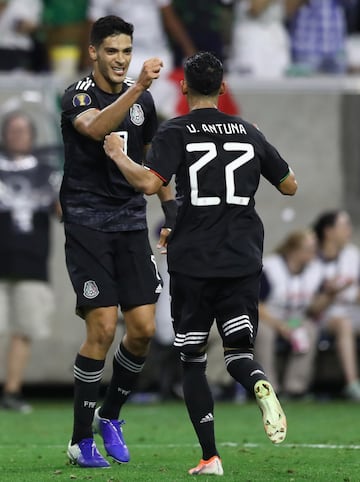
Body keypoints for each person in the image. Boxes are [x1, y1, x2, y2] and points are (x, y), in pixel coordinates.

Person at [103, 51, 298, 476]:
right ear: (224, 88)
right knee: (238, 352)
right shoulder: (248, 131)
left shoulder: (177, 130)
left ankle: (211, 456)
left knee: (192, 358)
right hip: (243, 257)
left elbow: (148, 183)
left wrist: (118, 153)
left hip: (194, 259)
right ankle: (259, 383)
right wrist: (258, 143)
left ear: (185, 87)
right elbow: (289, 186)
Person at [60, 15, 176, 468]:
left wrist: (172, 214)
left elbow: (154, 166)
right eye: (112, 51)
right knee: (103, 327)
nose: (120, 59)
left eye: (126, 51)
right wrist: (138, 88)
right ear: (93, 52)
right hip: (87, 225)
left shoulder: (142, 104)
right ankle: (78, 439)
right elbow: (93, 129)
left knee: (144, 330)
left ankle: (110, 416)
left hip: (130, 224)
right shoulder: (78, 95)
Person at [0, 110, 60, 413]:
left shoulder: (46, 171)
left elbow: (62, 213)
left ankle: (12, 390)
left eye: (23, 130)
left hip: (32, 262)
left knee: (24, 328)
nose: (17, 135)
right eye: (13, 130)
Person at [255, 229, 323, 399]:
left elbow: (313, 309)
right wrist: (280, 326)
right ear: (294, 250)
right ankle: (269, 388)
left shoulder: (315, 270)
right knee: (264, 333)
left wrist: (330, 294)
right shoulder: (271, 268)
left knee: (308, 329)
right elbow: (257, 305)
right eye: (309, 249)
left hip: (294, 319)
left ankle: (295, 388)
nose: (313, 253)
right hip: (268, 318)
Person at [313, 210, 360, 400]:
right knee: (343, 323)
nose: (349, 230)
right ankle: (352, 384)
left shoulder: (353, 255)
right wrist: (331, 292)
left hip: (352, 310)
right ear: (329, 231)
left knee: (347, 320)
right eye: (344, 226)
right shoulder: (312, 258)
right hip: (323, 315)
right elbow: (311, 307)